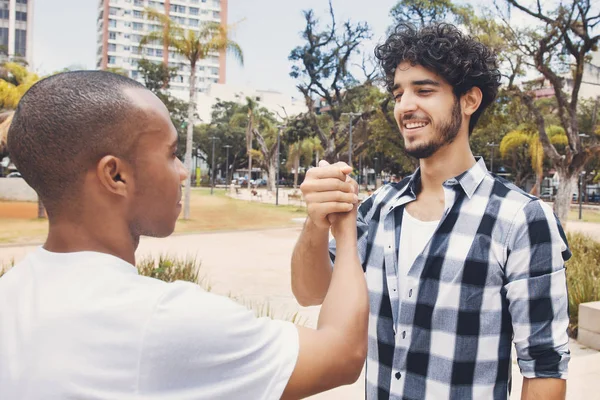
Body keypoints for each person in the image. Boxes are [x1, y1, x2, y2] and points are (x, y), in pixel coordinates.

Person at [0, 71, 368, 399]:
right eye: (172, 154)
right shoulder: (161, 320)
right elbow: (342, 354)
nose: (183, 173)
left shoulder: (11, 293)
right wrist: (345, 227)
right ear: (115, 175)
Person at [291, 23, 570, 400]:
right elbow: (310, 292)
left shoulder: (520, 219)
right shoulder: (377, 209)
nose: (405, 106)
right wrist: (315, 221)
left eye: (424, 90)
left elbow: (544, 369)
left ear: (469, 100)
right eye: (398, 93)